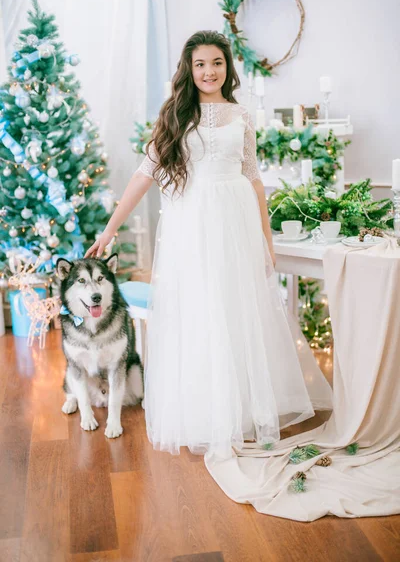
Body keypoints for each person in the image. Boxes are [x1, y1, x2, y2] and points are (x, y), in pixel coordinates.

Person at [85, 30, 331, 459]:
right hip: (192, 224)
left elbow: (254, 180)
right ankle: (206, 413)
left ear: (226, 67)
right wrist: (109, 229)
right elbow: (143, 176)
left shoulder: (241, 115)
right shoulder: (176, 116)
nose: (208, 71)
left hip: (236, 222)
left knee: (239, 310)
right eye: (200, 64)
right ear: (189, 69)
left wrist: (266, 239)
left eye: (216, 63)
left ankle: (246, 411)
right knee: (202, 311)